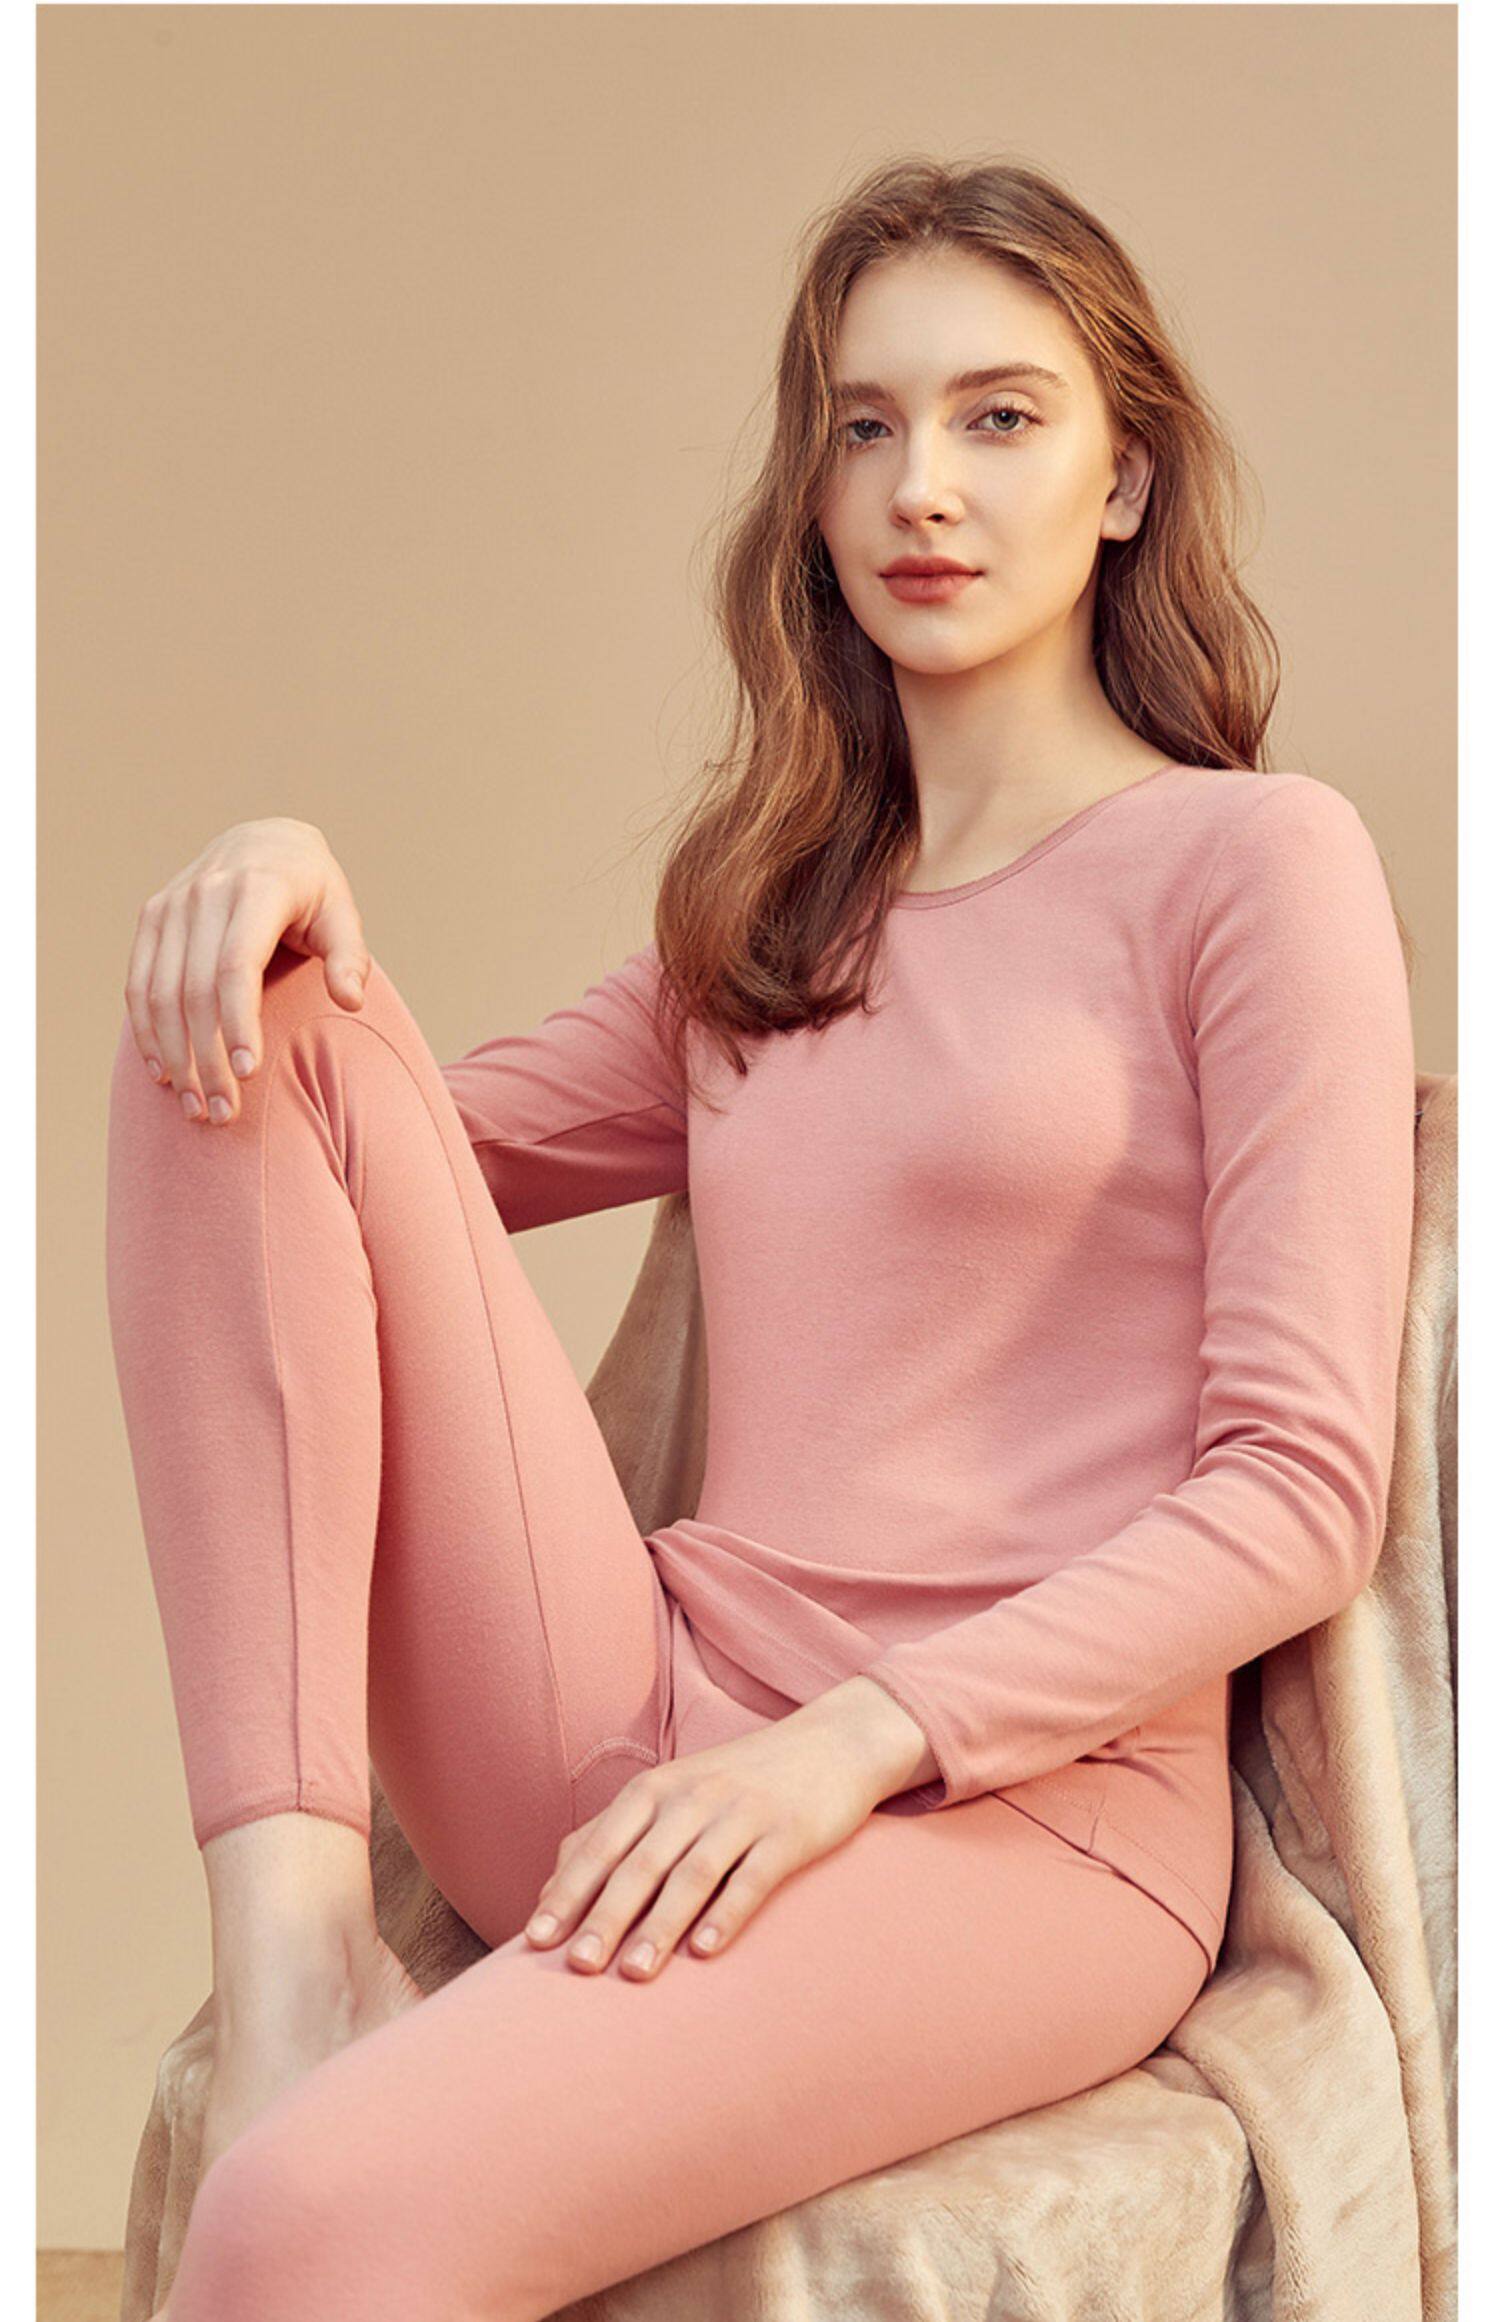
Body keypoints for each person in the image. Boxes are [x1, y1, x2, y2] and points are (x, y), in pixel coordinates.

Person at [104, 153, 1417, 2322]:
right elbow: (340, 1144)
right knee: (234, 1028)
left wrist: (852, 1742)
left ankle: (309, 2113)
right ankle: (292, 1979)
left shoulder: (1253, 865)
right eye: (863, 425)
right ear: (812, 491)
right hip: (634, 1713)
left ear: (1122, 479)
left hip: (1008, 1822)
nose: (923, 486)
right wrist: (280, 865)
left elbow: (1296, 1490)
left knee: (299, 2226)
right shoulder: (777, 911)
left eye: (1001, 418)